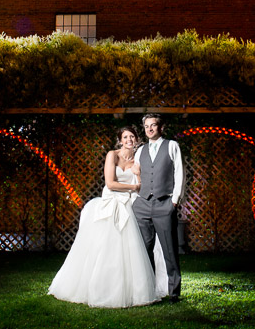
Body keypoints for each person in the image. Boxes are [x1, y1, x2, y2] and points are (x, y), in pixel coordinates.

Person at [48, 126, 168, 308]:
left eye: (132, 137)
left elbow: (144, 185)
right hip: (111, 201)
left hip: (131, 202)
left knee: (134, 248)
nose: (129, 140)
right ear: (120, 140)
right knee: (105, 246)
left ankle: (135, 289)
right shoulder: (112, 155)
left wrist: (138, 178)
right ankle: (99, 286)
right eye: (125, 137)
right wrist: (133, 188)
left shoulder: (139, 159)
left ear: (136, 140)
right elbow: (110, 183)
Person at [133, 113, 184, 303]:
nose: (150, 129)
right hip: (143, 204)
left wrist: (175, 200)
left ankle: (174, 292)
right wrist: (134, 199)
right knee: (144, 250)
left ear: (161, 127)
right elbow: (135, 176)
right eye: (146, 126)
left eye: (153, 125)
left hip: (165, 203)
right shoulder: (140, 150)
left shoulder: (172, 146)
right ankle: (149, 291)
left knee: (169, 249)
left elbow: (179, 172)